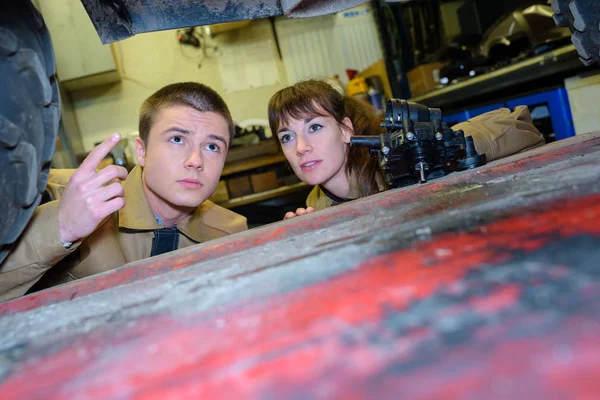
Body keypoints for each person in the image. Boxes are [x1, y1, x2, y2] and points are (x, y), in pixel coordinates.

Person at [0, 82, 248, 301]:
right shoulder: (67, 201)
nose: (195, 160)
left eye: (213, 146)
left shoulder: (231, 233)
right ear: (141, 151)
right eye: (177, 139)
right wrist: (61, 228)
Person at [268, 79, 545, 218]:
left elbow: (518, 123)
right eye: (287, 137)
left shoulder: (395, 160)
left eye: (314, 127)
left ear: (345, 130)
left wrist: (451, 150)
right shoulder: (316, 206)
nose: (301, 147)